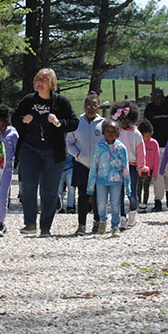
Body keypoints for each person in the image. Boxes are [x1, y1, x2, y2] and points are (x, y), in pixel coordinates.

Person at [12, 68, 79, 237]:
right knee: (28, 187)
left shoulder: (60, 102)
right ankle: (30, 224)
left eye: (44, 79)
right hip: (29, 149)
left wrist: (58, 122)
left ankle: (45, 228)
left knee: (49, 191)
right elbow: (14, 118)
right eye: (37, 79)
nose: (39, 82)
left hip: (53, 151)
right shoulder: (28, 101)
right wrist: (22, 120)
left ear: (52, 83)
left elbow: (74, 122)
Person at [66, 91, 104, 235]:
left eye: (94, 106)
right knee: (82, 195)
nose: (91, 108)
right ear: (84, 106)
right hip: (81, 164)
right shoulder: (77, 122)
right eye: (88, 105)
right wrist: (78, 155)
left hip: (99, 166)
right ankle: (81, 225)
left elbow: (109, 142)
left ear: (98, 107)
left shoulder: (103, 123)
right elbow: (69, 143)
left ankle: (97, 222)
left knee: (97, 195)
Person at [87, 119, 131, 237]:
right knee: (101, 204)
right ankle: (102, 220)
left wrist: (128, 186)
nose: (110, 133)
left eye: (113, 131)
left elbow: (125, 167)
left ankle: (115, 226)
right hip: (101, 180)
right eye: (108, 131)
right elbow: (94, 166)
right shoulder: (99, 147)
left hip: (116, 181)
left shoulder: (121, 148)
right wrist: (90, 186)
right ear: (103, 132)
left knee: (115, 203)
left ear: (118, 132)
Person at [144, 87, 168, 212]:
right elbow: (146, 126)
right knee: (158, 174)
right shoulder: (149, 109)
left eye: (160, 96)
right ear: (152, 96)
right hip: (155, 146)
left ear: (164, 96)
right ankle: (158, 200)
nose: (158, 98)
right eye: (155, 96)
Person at [110, 100, 142, 229]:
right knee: (119, 194)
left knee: (132, 194)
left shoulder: (136, 134)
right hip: (118, 167)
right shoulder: (115, 133)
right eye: (121, 118)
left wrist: (142, 167)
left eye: (126, 118)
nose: (124, 121)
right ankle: (122, 218)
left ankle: (133, 213)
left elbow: (141, 153)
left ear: (132, 118)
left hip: (133, 167)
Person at [0, 104, 19, 235]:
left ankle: (1, 221)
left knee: (3, 195)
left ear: (7, 123)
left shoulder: (13, 134)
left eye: (2, 126)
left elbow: (17, 150)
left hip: (7, 168)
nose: (0, 129)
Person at [136, 119, 159, 214]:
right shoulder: (138, 143)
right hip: (139, 169)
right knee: (138, 187)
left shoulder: (154, 143)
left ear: (151, 133)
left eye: (148, 135)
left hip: (149, 170)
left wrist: (156, 172)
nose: (146, 138)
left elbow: (157, 158)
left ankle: (144, 204)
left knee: (146, 188)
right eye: (144, 136)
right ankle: (137, 203)